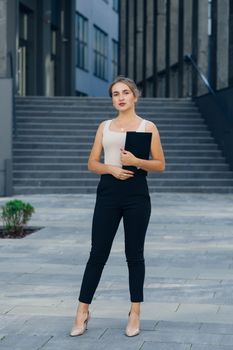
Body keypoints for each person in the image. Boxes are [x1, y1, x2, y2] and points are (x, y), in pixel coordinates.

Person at [70, 76, 165, 337]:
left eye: (125, 92)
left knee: (134, 255)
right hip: (108, 193)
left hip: (137, 194)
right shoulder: (105, 126)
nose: (120, 97)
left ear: (135, 96)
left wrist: (137, 160)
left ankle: (135, 312)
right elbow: (92, 163)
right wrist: (110, 167)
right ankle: (82, 311)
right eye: (115, 94)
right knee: (97, 253)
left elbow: (160, 164)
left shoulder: (148, 127)